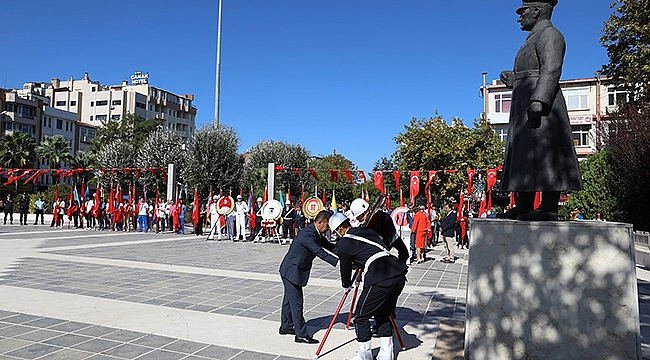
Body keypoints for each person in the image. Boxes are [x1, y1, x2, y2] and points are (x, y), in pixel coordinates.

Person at [497, 0, 582, 221]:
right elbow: (533, 72)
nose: (519, 16)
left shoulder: (551, 35)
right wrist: (514, 80)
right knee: (525, 155)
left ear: (536, 11)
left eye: (522, 11)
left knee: (545, 154)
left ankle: (549, 207)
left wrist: (540, 100)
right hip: (524, 104)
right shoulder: (532, 38)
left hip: (541, 106)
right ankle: (524, 205)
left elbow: (551, 68)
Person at [329, 212, 408, 360]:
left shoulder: (344, 243)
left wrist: (346, 285)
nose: (336, 235)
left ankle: (364, 356)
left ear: (340, 229)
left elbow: (344, 268)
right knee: (383, 314)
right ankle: (387, 354)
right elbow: (371, 251)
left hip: (380, 277)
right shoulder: (367, 231)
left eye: (335, 232)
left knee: (360, 316)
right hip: (398, 272)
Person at [278, 211, 338, 344]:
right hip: (292, 271)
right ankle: (301, 334)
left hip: (292, 269)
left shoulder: (316, 232)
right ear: (320, 222)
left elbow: (329, 246)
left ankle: (286, 326)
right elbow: (319, 251)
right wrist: (338, 262)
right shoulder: (308, 234)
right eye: (328, 225)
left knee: (289, 300)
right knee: (297, 303)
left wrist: (346, 254)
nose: (328, 228)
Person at [349, 198, 409, 264]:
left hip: (391, 238)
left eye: (358, 217)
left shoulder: (383, 217)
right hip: (378, 246)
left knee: (404, 254)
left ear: (364, 213)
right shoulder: (364, 227)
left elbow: (388, 236)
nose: (358, 220)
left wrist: (384, 251)